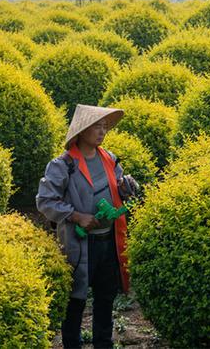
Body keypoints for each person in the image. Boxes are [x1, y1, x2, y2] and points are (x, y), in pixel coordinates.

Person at [36, 104, 139, 349]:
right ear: (81, 131)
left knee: (105, 297)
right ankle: (73, 344)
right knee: (75, 300)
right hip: (79, 244)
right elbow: (45, 201)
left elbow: (117, 190)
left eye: (104, 127)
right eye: (96, 127)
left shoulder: (109, 159)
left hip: (108, 242)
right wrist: (75, 215)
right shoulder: (63, 165)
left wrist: (125, 188)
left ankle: (103, 343)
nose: (102, 132)